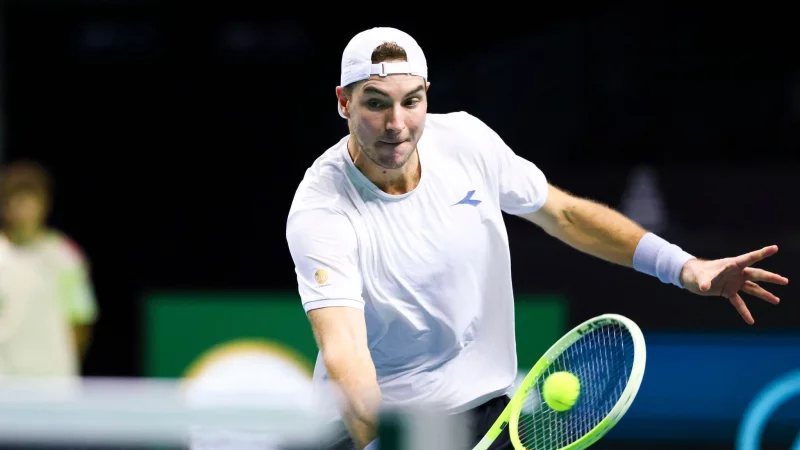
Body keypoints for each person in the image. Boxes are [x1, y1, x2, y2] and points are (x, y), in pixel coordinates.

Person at [285, 27, 789, 450]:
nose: (397, 125)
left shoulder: (466, 141)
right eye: (376, 105)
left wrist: (682, 266)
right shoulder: (323, 210)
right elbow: (346, 352)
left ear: (426, 96)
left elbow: (564, 214)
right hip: (376, 425)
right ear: (344, 102)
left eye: (411, 102)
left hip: (488, 414)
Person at [0, 159, 98, 378]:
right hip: (5, 380)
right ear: (5, 206)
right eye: (16, 200)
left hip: (52, 380)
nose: (24, 209)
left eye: (31, 200)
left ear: (44, 204)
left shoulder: (64, 257)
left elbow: (80, 320)